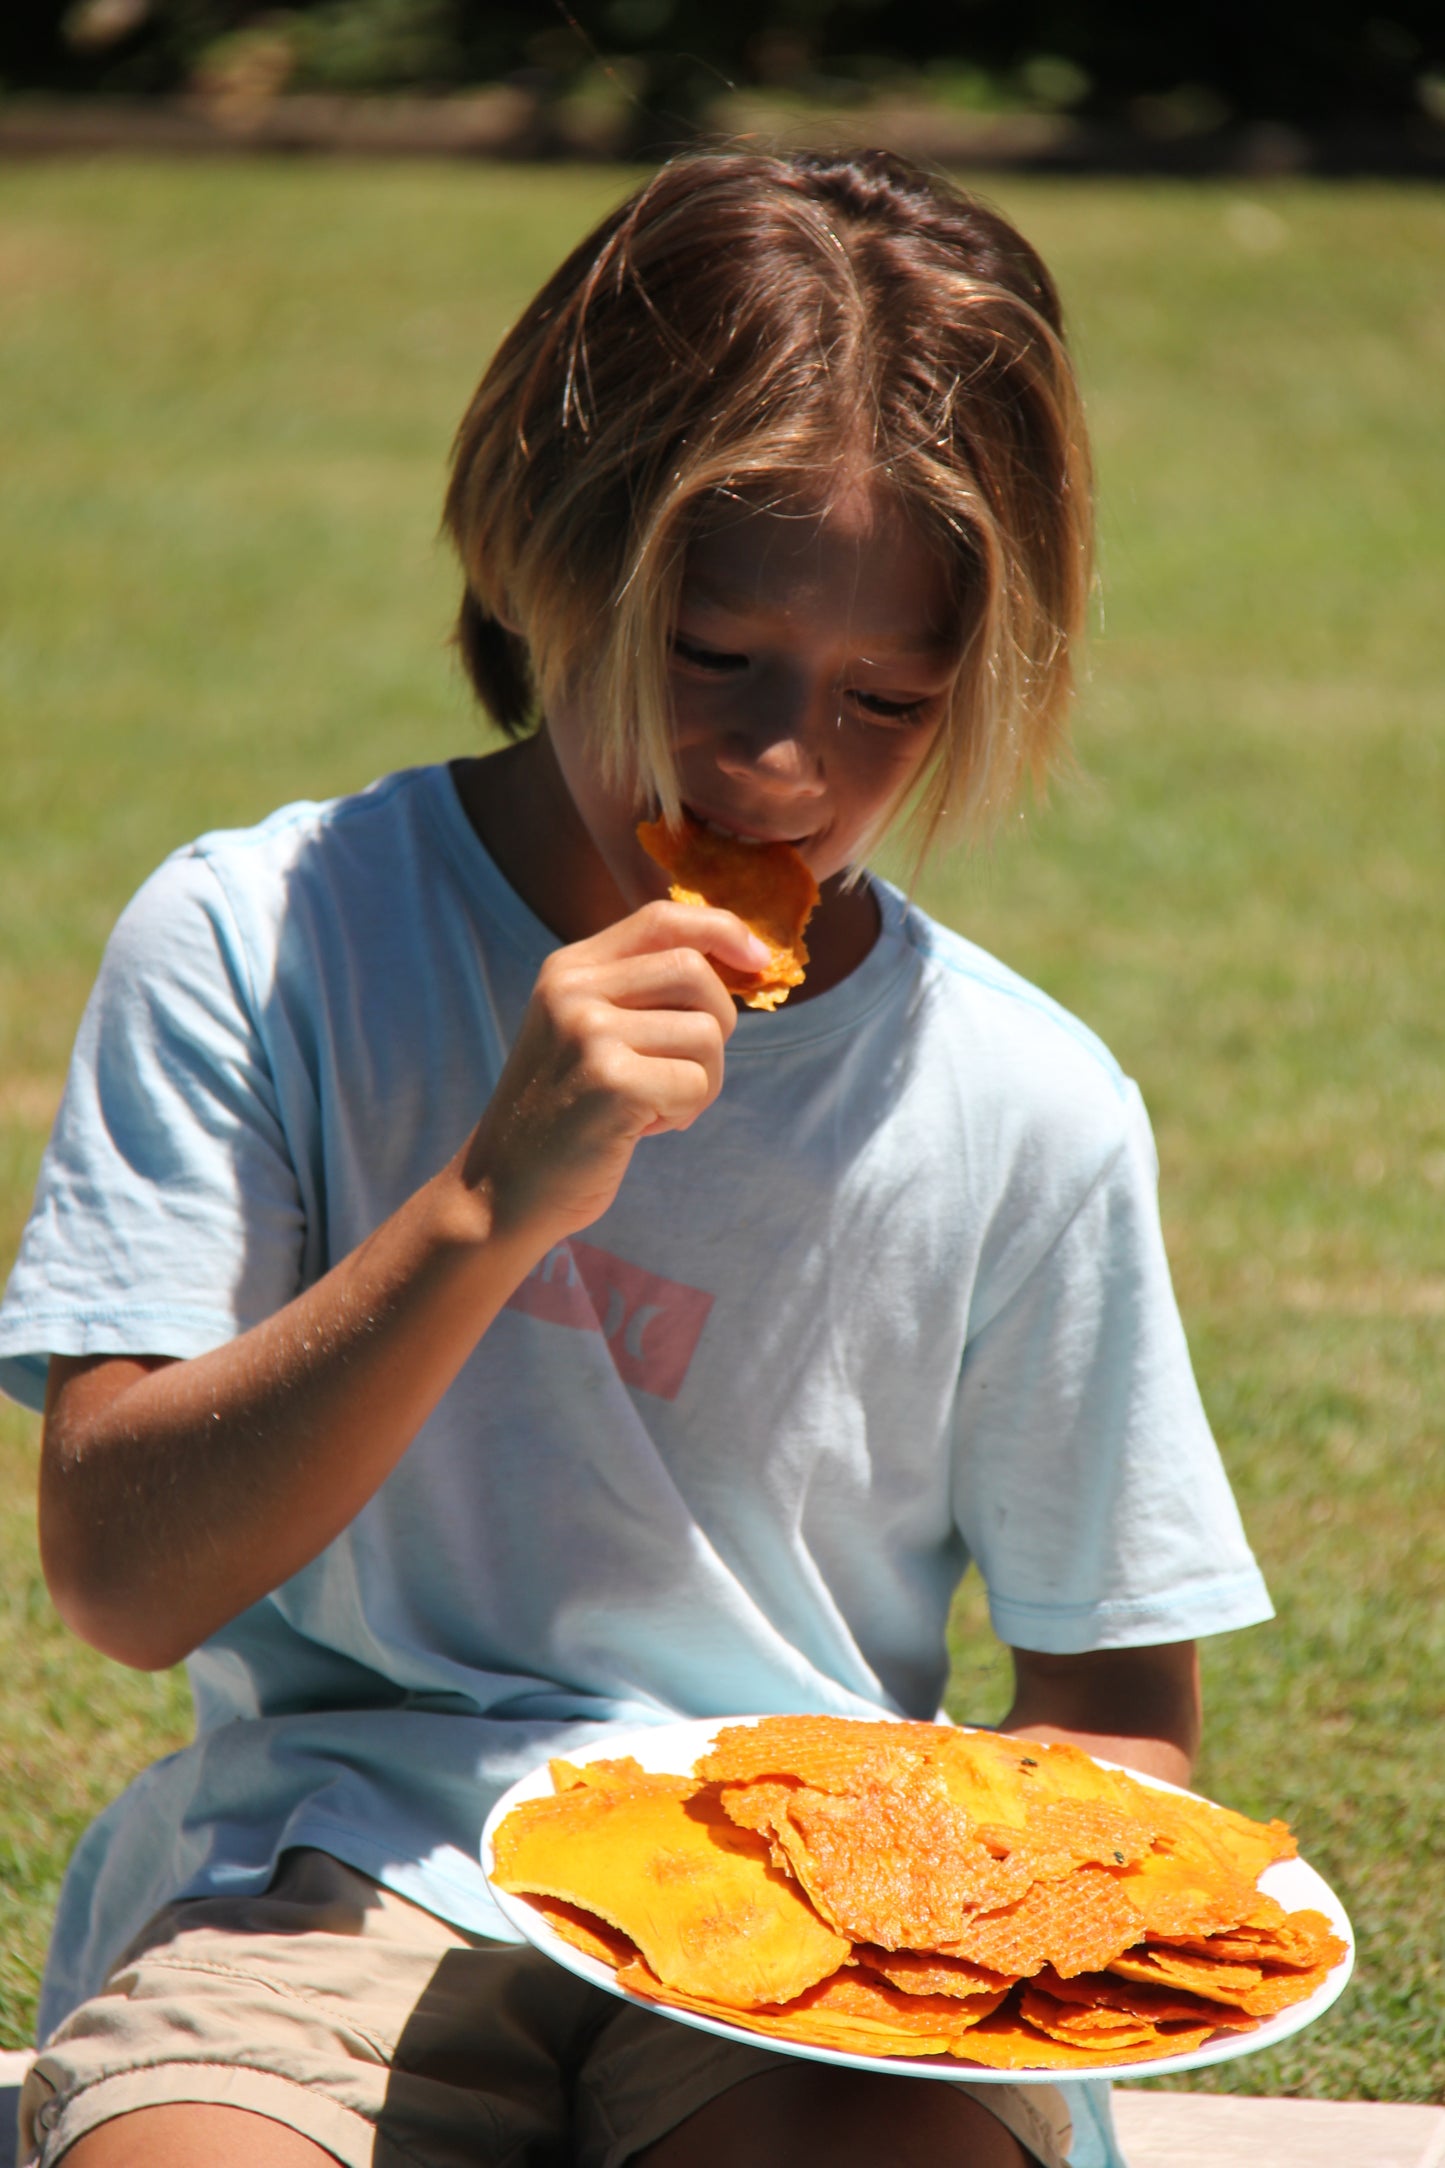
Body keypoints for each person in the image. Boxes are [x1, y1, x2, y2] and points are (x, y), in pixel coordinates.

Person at [0, 148, 1273, 2168]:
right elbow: (124, 1575)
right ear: (548, 555)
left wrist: (951, 1904)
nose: (785, 770)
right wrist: (490, 1195)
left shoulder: (1026, 1102)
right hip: (334, 1869)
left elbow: (1115, 1703)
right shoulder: (266, 941)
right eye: (713, 660)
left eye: (888, 702)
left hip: (818, 1934)